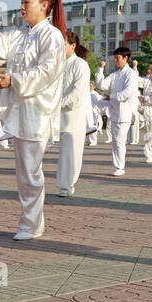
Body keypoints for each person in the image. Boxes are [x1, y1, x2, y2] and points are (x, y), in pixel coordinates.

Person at [0, 0, 66, 239]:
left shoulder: (51, 36)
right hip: (21, 109)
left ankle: (31, 224)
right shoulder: (21, 35)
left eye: (28, 2)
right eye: (21, 2)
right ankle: (31, 222)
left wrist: (13, 80)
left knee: (30, 170)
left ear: (45, 6)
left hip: (38, 111)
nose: (22, 7)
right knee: (25, 170)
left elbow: (47, 71)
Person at [56, 32, 95, 193]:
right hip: (56, 117)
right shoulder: (57, 64)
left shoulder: (80, 65)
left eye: (62, 44)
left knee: (70, 154)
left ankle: (66, 186)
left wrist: (56, 104)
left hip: (73, 118)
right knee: (64, 154)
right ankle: (64, 184)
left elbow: (77, 96)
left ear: (73, 46)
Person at [95, 47, 139, 177]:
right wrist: (101, 69)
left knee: (119, 141)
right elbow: (101, 85)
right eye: (114, 58)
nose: (115, 61)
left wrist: (111, 96)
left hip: (125, 113)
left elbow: (127, 93)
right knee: (115, 141)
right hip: (114, 112)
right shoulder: (115, 74)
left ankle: (120, 166)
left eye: (118, 58)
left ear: (125, 58)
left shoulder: (130, 74)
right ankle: (118, 166)